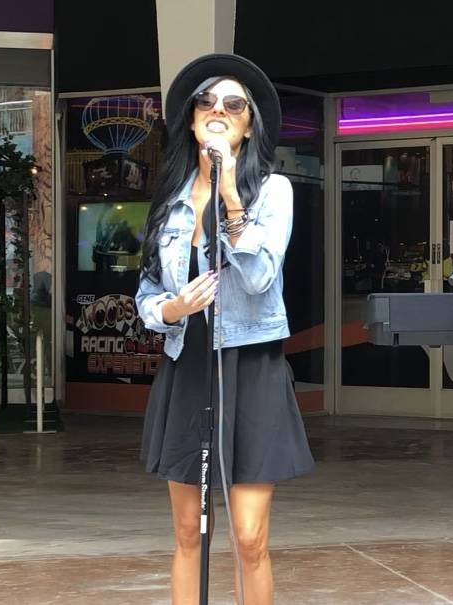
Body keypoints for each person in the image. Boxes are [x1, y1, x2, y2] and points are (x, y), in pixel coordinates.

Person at [135, 53, 314, 605]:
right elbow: (147, 295)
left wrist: (232, 192)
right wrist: (173, 310)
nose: (218, 111)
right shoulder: (169, 204)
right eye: (206, 103)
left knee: (249, 536)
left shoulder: (273, 192)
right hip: (188, 364)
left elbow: (260, 278)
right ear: (191, 121)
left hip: (252, 364)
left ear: (248, 123)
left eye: (233, 105)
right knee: (189, 532)